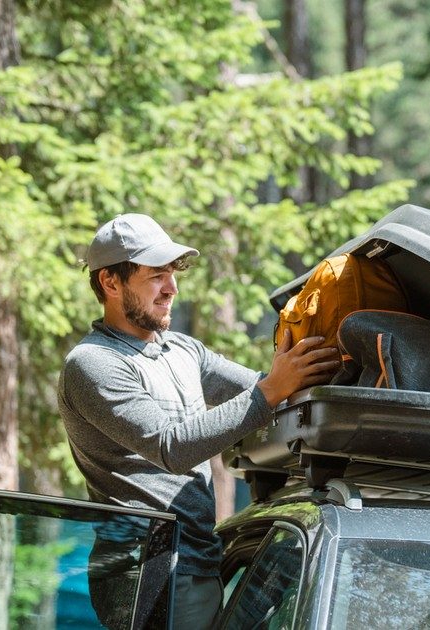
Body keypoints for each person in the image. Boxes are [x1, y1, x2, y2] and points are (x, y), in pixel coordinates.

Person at [57, 213, 339, 629]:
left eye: (172, 274)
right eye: (156, 276)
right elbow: (171, 447)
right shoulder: (93, 363)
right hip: (145, 572)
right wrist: (270, 391)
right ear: (110, 283)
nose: (172, 287)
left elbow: (272, 391)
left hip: (198, 559)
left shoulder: (184, 351)